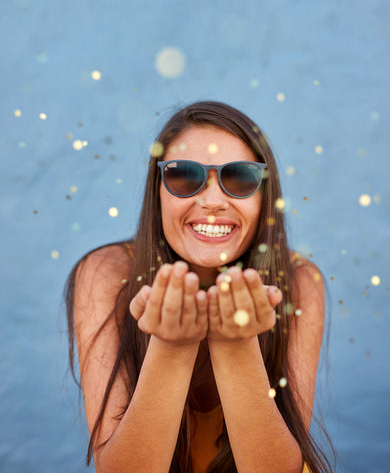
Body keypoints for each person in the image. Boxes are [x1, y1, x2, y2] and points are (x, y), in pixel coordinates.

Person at [65, 101, 335, 473]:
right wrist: (172, 348)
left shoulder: (300, 282)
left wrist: (236, 344)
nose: (211, 202)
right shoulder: (106, 275)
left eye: (240, 178)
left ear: (264, 196)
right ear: (156, 190)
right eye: (184, 177)